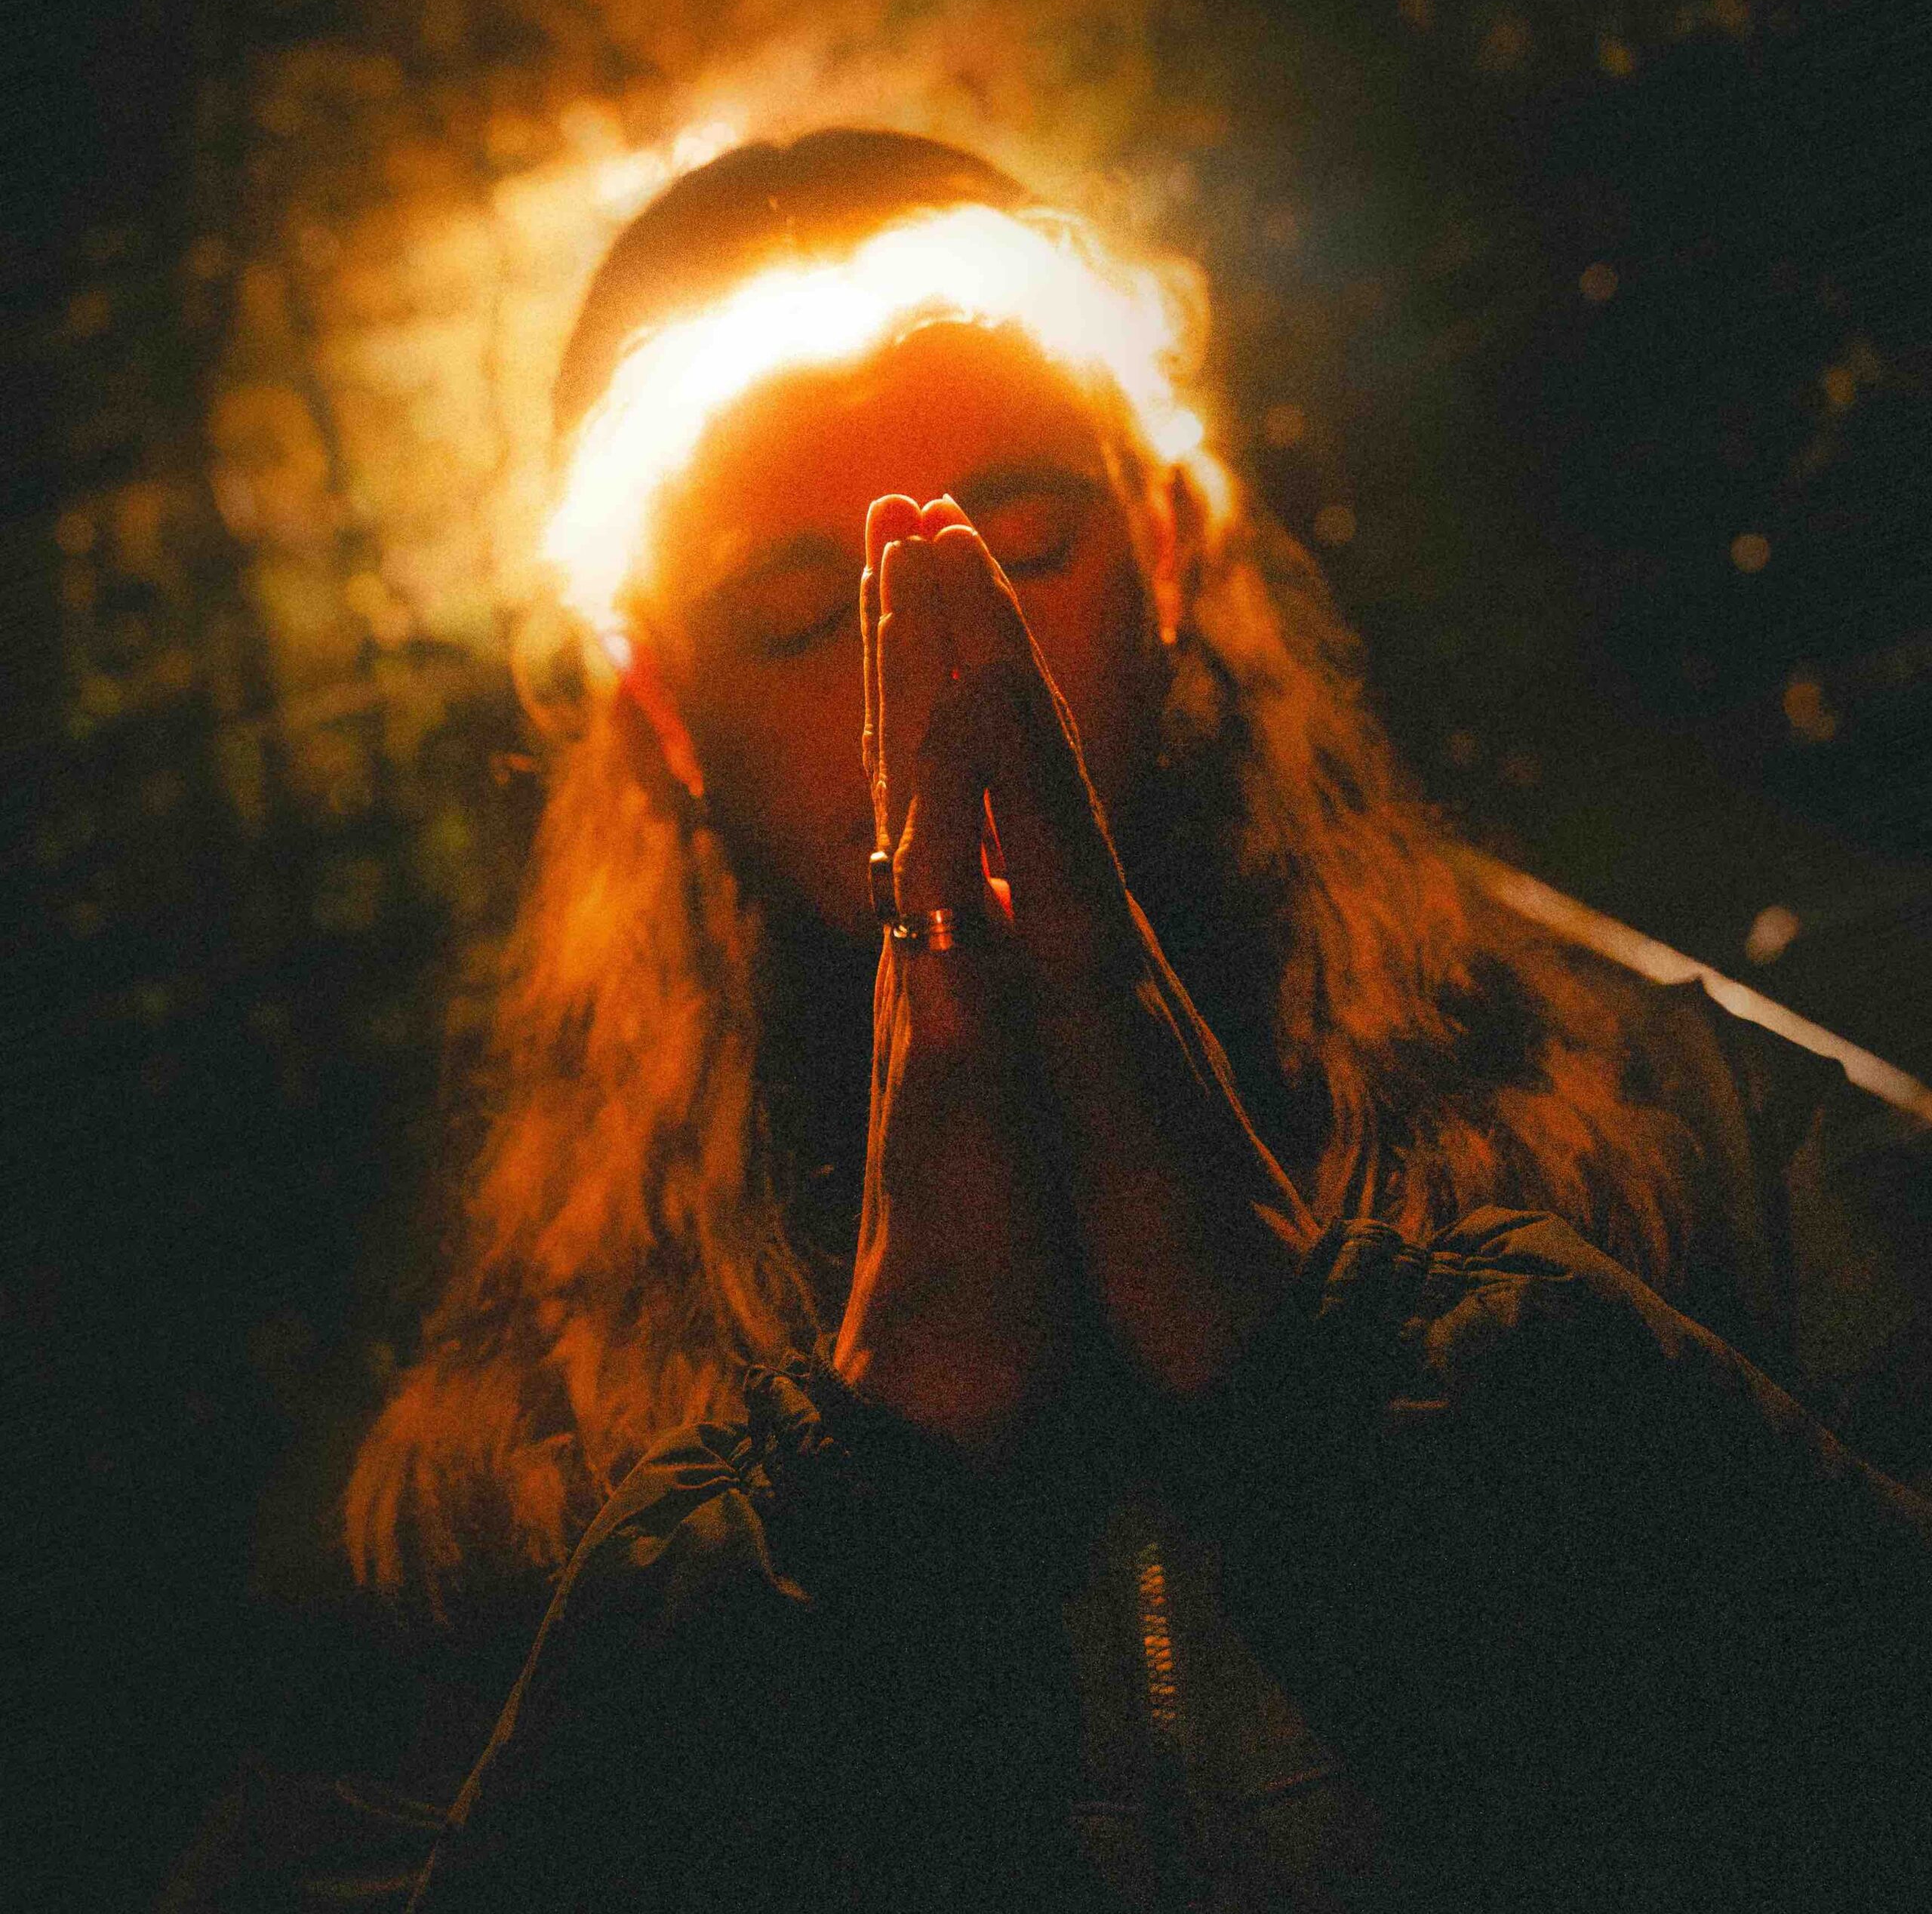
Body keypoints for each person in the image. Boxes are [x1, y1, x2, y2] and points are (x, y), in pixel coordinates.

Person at [171, 130, 1932, 1912]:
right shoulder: (487, 1479)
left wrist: (1328, 1373)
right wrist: (863, 1488)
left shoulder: (1701, 1140)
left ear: (1165, 545)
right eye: (799, 618)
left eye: (1022, 542)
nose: (945, 673)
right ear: (662, 705)